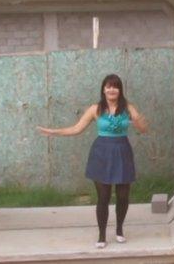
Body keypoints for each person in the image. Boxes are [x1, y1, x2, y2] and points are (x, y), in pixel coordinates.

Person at [37, 74, 148, 248]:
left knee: (123, 195)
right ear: (103, 89)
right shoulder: (95, 109)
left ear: (120, 90)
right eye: (108, 86)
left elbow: (143, 129)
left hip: (122, 152)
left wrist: (140, 121)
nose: (112, 89)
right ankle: (102, 235)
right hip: (101, 153)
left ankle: (119, 230)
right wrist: (54, 132)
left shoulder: (128, 107)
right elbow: (76, 128)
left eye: (115, 86)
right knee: (103, 196)